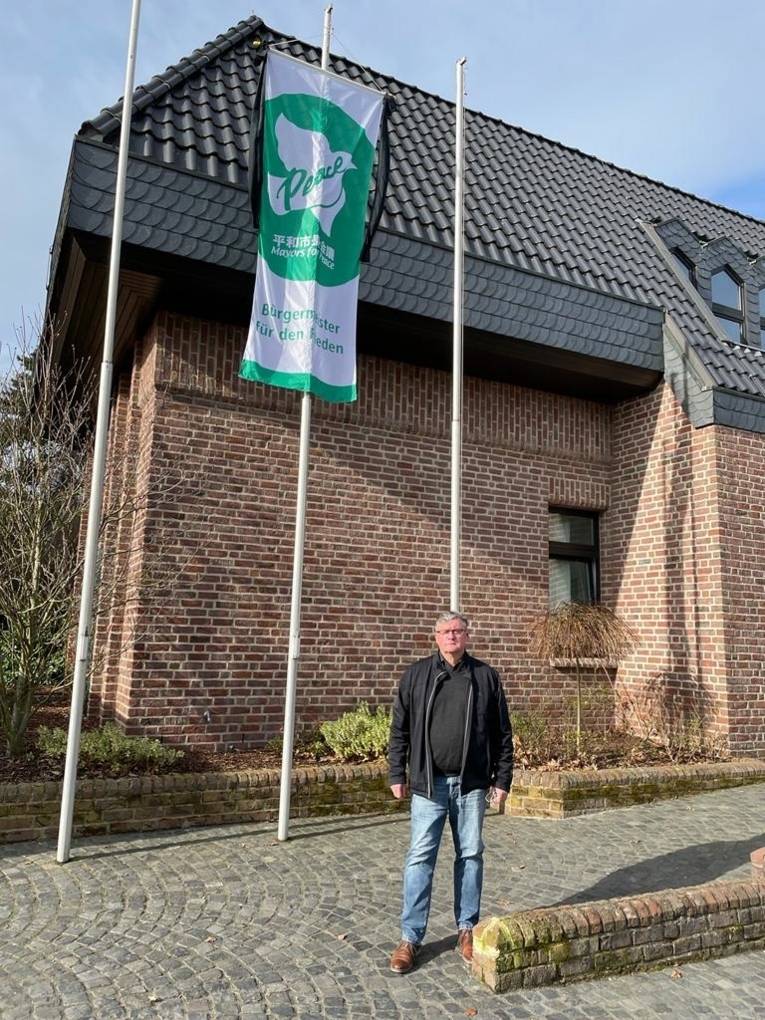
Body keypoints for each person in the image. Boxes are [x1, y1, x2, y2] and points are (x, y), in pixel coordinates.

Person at [388, 611, 514, 974]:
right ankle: (410, 938)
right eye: (445, 631)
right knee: (419, 859)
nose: (452, 636)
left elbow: (502, 734)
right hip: (429, 786)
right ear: (436, 637)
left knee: (470, 855)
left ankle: (467, 929)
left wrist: (502, 780)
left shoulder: (485, 677)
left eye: (458, 631)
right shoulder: (416, 676)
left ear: (467, 636)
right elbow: (399, 729)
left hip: (472, 786)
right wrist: (397, 772)